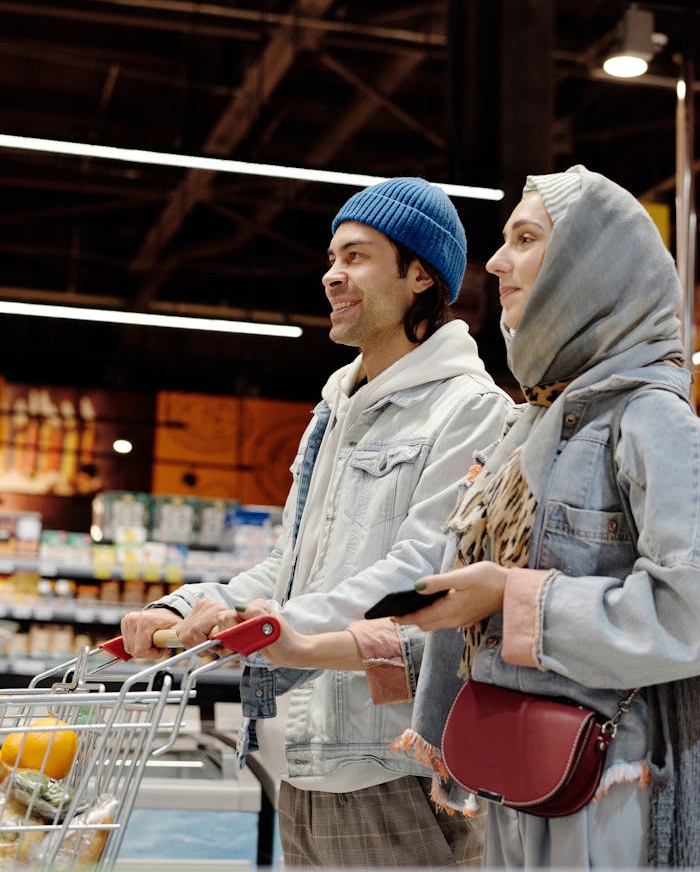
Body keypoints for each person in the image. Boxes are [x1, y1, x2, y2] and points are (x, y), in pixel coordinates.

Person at [229, 166, 700, 869]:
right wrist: (291, 646)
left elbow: (688, 608)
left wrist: (513, 598)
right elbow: (455, 618)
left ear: (588, 266)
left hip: (615, 802)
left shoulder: (651, 418)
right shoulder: (529, 427)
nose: (500, 261)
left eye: (526, 238)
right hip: (519, 794)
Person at [120, 176, 512, 868]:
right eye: (332, 257)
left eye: (357, 255)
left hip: (387, 767)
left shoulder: (470, 410)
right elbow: (291, 560)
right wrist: (186, 604)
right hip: (297, 758)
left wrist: (269, 623)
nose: (333, 274)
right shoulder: (334, 407)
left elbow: (419, 578)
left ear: (420, 273)